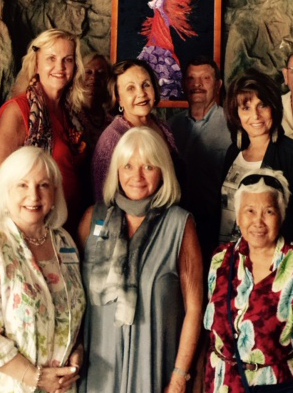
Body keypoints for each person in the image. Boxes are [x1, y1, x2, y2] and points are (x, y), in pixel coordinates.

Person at [0, 146, 85, 393]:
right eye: (22, 185)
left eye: (44, 185)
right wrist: (36, 377)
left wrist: (76, 350)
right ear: (5, 191)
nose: (34, 195)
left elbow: (75, 310)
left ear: (54, 194)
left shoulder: (64, 242)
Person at [78, 127, 203, 393]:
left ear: (163, 171)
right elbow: (72, 297)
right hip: (98, 368)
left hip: (155, 368)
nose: (137, 176)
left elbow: (194, 309)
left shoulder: (180, 225)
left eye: (148, 166)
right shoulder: (94, 219)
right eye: (128, 166)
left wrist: (180, 378)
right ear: (116, 171)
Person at [204, 169, 293, 393]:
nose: (258, 221)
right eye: (250, 211)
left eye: (268, 211)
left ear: (281, 215)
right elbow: (211, 338)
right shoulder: (220, 259)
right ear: (238, 216)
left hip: (275, 385)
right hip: (221, 384)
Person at [0, 29, 88, 237]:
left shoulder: (72, 114)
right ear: (36, 64)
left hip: (70, 229)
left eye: (68, 60)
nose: (60, 67)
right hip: (34, 230)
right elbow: (0, 185)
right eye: (51, 58)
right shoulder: (18, 111)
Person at [220, 69, 293, 250]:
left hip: (273, 260)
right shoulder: (234, 152)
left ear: (274, 107)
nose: (255, 116)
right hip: (229, 258)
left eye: (262, 105)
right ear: (236, 113)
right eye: (246, 108)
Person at [168, 56, 231, 260]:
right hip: (176, 227)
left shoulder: (234, 126)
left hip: (217, 228)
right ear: (184, 84)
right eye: (191, 79)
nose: (197, 85)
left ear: (218, 85)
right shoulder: (169, 128)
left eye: (205, 78)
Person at [92, 59, 178, 202]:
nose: (141, 93)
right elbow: (102, 199)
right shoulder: (112, 139)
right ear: (118, 98)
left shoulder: (163, 127)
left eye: (146, 85)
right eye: (130, 88)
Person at [137, 0, 203, 99]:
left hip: (160, 17)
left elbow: (159, 2)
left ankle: (160, 49)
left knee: (160, 34)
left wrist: (152, 4)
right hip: (159, 17)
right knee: (157, 34)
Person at [80, 52, 114, 147]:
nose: (94, 77)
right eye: (88, 72)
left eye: (101, 73)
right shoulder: (70, 116)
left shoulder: (112, 123)